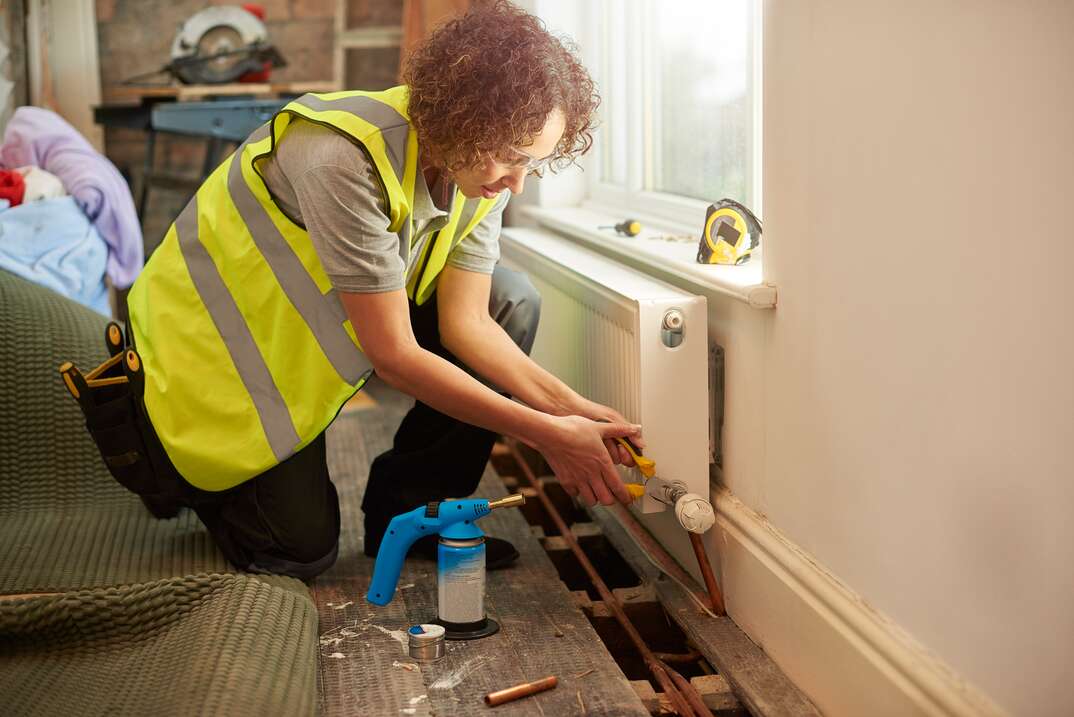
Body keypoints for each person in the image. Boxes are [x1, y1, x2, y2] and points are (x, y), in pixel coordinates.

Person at [87, 0, 643, 580]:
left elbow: (469, 324)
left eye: (533, 162)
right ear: (462, 118)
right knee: (299, 553)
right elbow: (394, 357)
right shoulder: (339, 157)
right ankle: (182, 477)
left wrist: (573, 410)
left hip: (305, 345)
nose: (517, 182)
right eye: (511, 157)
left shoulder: (481, 170)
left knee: (510, 299)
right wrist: (548, 435)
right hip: (212, 363)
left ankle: (411, 512)